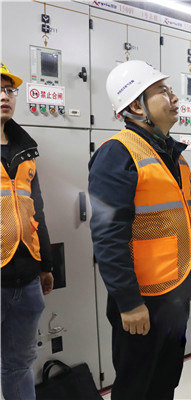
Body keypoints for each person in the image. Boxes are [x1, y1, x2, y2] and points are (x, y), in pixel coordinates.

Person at [89, 60, 191, 400]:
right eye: (163, 91)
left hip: (175, 293)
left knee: (165, 381)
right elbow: (108, 236)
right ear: (137, 106)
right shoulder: (117, 153)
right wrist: (128, 303)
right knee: (136, 388)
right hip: (143, 301)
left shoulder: (173, 154)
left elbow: (183, 221)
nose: (175, 97)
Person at [1, 62, 54, 400]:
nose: (4, 96)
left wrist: (46, 265)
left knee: (20, 363)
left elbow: (37, 212)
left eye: (9, 90)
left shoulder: (25, 151)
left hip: (28, 278)